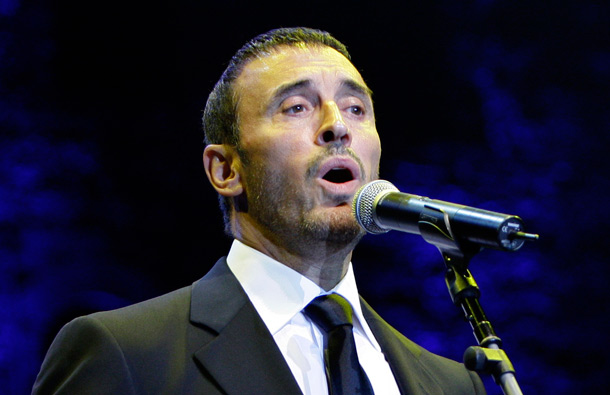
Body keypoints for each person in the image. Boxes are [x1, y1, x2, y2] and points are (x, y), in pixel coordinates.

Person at [32, 27, 486, 394]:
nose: (337, 127)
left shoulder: (450, 384)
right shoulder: (128, 355)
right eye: (296, 107)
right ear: (226, 169)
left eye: (355, 107)